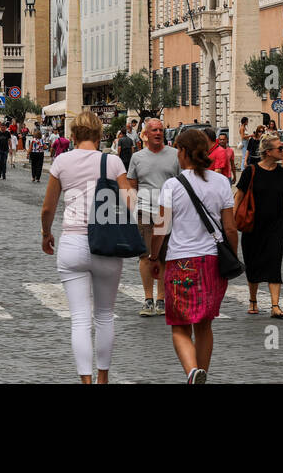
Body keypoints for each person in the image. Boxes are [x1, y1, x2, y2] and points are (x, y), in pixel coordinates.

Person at [41, 110, 134, 384]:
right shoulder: (113, 162)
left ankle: (86, 381)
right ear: (99, 134)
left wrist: (46, 233)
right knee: (105, 315)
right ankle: (103, 378)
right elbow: (131, 203)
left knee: (80, 319)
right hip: (105, 243)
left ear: (72, 135)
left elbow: (48, 207)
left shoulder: (61, 162)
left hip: (72, 242)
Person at [149, 128, 236, 384]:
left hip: (181, 262)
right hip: (212, 261)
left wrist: (154, 257)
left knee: (179, 325)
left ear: (184, 151)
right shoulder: (221, 182)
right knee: (205, 325)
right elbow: (230, 228)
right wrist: (232, 257)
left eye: (177, 149)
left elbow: (161, 228)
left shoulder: (172, 185)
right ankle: (201, 375)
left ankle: (191, 372)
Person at [236, 132, 283, 317]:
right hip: (253, 226)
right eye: (280, 148)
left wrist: (279, 219)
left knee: (274, 263)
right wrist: (232, 220)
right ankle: (253, 300)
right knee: (253, 263)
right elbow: (238, 197)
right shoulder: (250, 171)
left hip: (276, 226)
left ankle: (275, 305)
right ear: (268, 151)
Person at [126, 118, 179, 317]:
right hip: (145, 211)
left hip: (168, 212)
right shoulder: (137, 157)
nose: (158, 133)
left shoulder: (175, 155)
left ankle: (161, 299)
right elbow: (132, 185)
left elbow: (182, 183)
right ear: (146, 134)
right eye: (154, 130)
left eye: (161, 130)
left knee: (164, 256)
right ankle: (148, 299)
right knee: (146, 255)